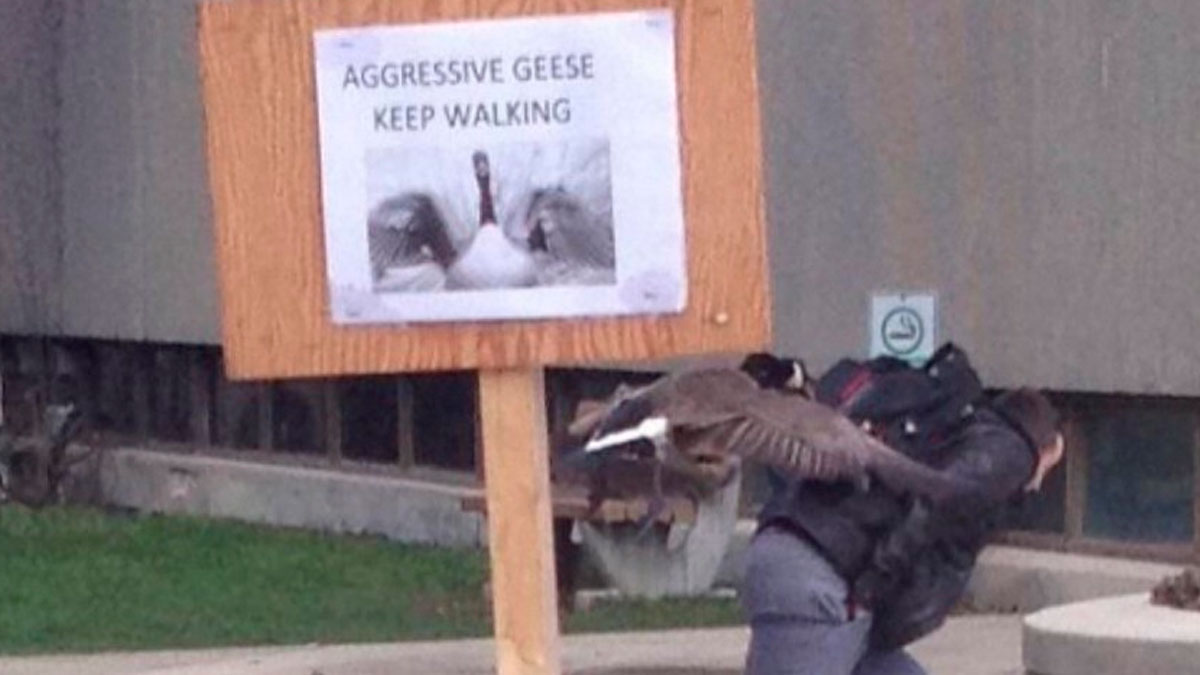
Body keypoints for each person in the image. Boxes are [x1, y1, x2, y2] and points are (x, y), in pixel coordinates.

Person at [741, 346, 1065, 675]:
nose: (1036, 486)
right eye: (1048, 470)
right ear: (1048, 446)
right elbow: (935, 503)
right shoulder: (1010, 451)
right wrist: (871, 588)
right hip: (826, 575)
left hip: (811, 560)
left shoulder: (953, 434)